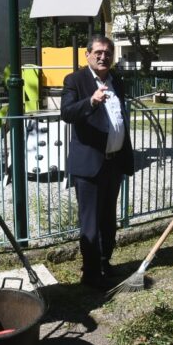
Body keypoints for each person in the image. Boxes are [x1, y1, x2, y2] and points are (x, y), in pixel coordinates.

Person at [60, 35, 135, 290]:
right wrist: (91, 101)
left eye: (108, 53)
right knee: (90, 222)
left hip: (114, 162)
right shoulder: (75, 80)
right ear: (88, 54)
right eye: (99, 52)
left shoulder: (117, 81)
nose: (104, 57)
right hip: (90, 164)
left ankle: (105, 263)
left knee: (108, 219)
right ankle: (90, 274)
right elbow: (67, 113)